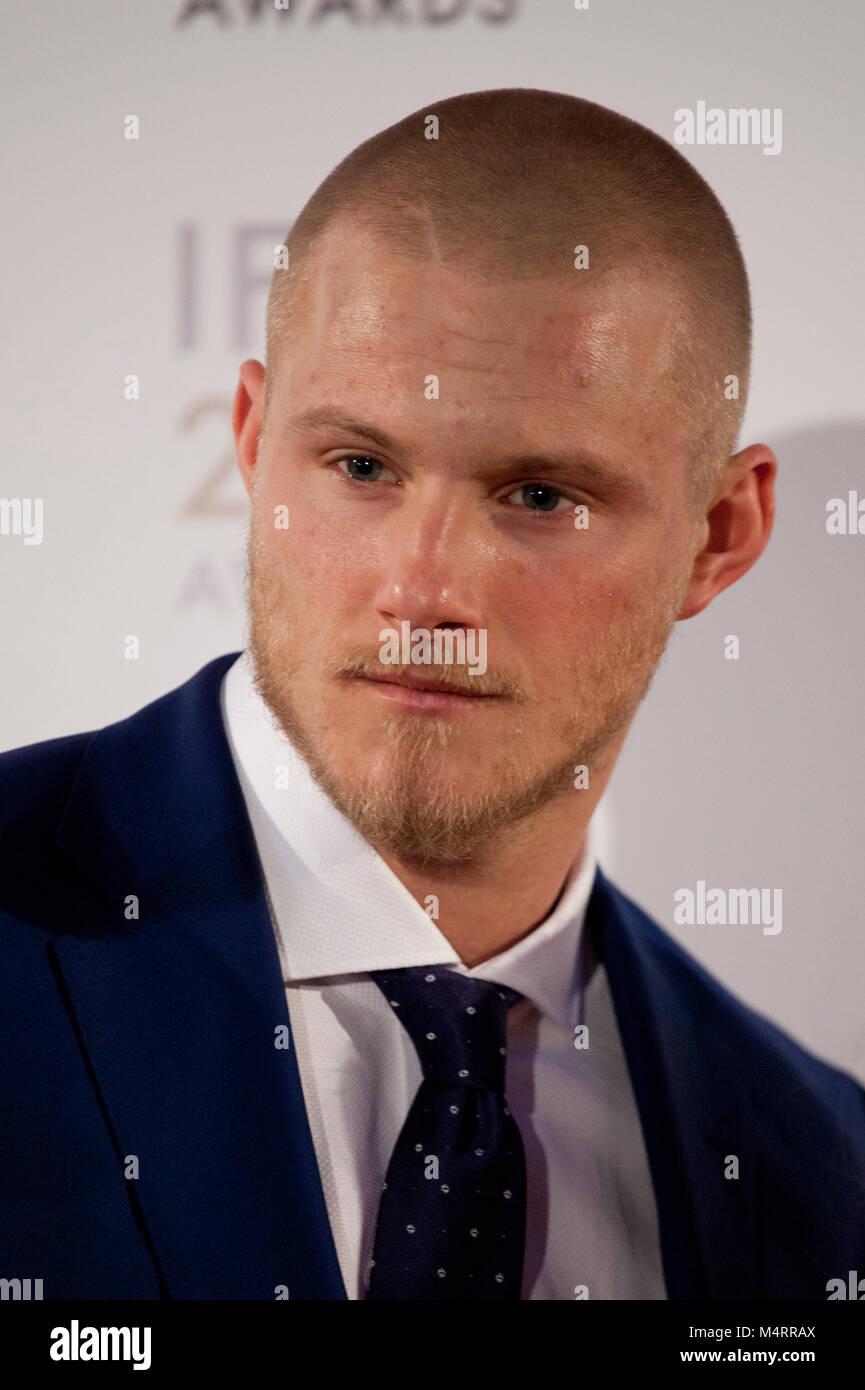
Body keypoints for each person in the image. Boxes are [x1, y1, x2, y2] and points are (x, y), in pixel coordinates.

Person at [2, 88, 863, 1302]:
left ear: (720, 535)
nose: (422, 588)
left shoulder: (822, 1176)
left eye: (540, 497)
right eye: (359, 466)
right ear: (253, 442)